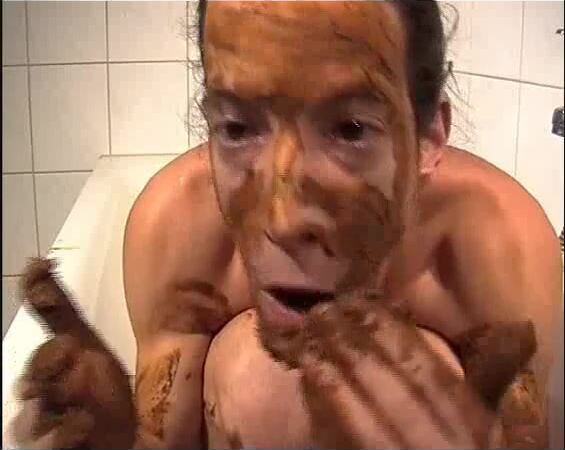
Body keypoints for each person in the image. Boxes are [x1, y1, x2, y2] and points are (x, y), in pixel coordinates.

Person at [11, 1, 562, 448]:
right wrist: (117, 442)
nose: (282, 220)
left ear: (428, 138)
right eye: (237, 128)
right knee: (258, 378)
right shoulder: (177, 231)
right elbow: (167, 443)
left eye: (349, 129)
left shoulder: (497, 246)